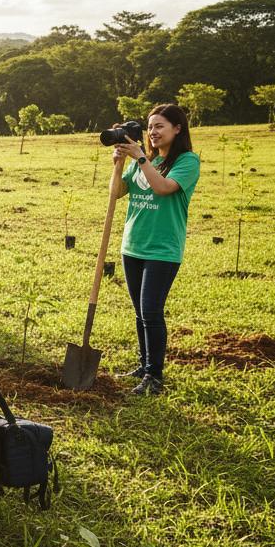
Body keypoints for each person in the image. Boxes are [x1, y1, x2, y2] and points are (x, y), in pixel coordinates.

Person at [111, 103, 200, 396]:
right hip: (133, 245)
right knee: (140, 311)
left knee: (151, 310)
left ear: (177, 128)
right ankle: (144, 364)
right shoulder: (146, 160)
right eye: (150, 127)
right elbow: (115, 193)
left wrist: (139, 159)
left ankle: (155, 376)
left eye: (159, 126)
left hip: (162, 248)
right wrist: (119, 163)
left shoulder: (187, 161)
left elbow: (163, 188)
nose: (153, 132)